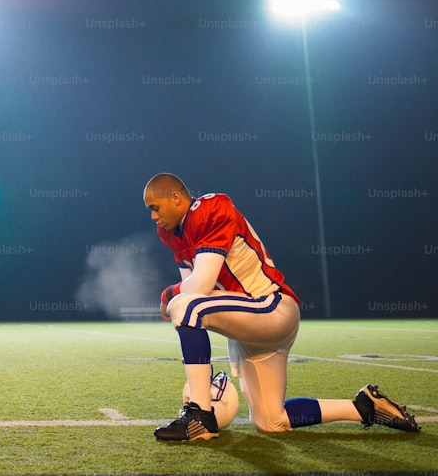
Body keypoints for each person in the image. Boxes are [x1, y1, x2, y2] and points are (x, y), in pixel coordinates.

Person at [143, 172, 421, 441]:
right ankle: (363, 407)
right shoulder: (171, 233)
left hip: (271, 307)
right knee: (270, 421)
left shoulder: (211, 207)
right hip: (251, 323)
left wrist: (168, 295)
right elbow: (195, 287)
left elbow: (199, 287)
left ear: (177, 198)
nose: (154, 216)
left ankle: (200, 417)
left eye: (155, 207)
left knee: (184, 306)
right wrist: (178, 300)